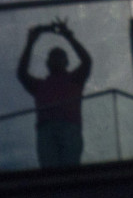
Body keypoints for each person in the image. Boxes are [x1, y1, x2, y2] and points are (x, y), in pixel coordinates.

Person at [16, 17, 92, 168]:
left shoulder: (75, 79)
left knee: (70, 170)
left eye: (60, 56)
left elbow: (87, 61)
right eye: (53, 56)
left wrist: (69, 37)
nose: (56, 59)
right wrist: (30, 42)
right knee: (50, 170)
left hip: (69, 128)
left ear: (66, 62)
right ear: (48, 63)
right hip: (46, 129)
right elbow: (22, 73)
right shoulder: (40, 85)